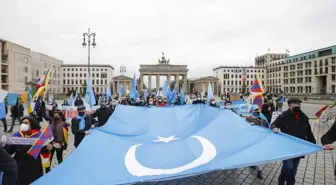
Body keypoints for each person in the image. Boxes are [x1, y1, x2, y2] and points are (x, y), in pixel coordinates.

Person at [271, 98, 316, 185]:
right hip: (286, 146)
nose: (298, 106)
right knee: (288, 166)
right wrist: (274, 128)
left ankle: (290, 183)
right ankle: (281, 180)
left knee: (294, 168)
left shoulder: (304, 117)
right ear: (290, 105)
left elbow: (308, 131)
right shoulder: (284, 116)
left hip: (299, 147)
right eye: (296, 104)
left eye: (299, 104)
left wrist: (313, 144)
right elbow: (273, 124)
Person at [3, 116, 50, 185]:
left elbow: (43, 151)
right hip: (20, 165)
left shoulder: (39, 135)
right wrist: (5, 145)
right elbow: (9, 151)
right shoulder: (17, 135)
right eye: (22, 123)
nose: (23, 124)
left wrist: (47, 148)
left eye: (26, 123)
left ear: (32, 124)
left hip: (34, 166)